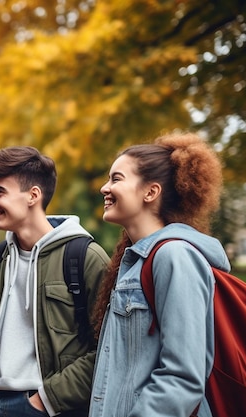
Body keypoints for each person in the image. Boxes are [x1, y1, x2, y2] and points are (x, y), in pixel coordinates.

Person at [0, 146, 110, 417]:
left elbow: (107, 347)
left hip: (47, 407)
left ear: (33, 195)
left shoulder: (85, 258)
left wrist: (44, 400)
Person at [89, 132, 229, 417]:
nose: (105, 187)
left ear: (150, 192)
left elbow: (182, 377)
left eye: (116, 179)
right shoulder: (134, 262)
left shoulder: (174, 256)